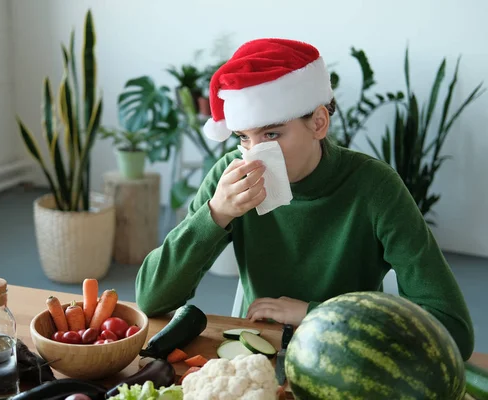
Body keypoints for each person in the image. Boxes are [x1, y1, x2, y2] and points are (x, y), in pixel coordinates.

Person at [135, 38, 474, 360]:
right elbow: (151, 298)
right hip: (257, 351)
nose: (255, 155)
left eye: (271, 134)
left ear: (319, 123)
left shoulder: (375, 187)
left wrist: (314, 314)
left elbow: (453, 330)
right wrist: (215, 214)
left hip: (349, 352)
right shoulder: (230, 176)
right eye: (243, 138)